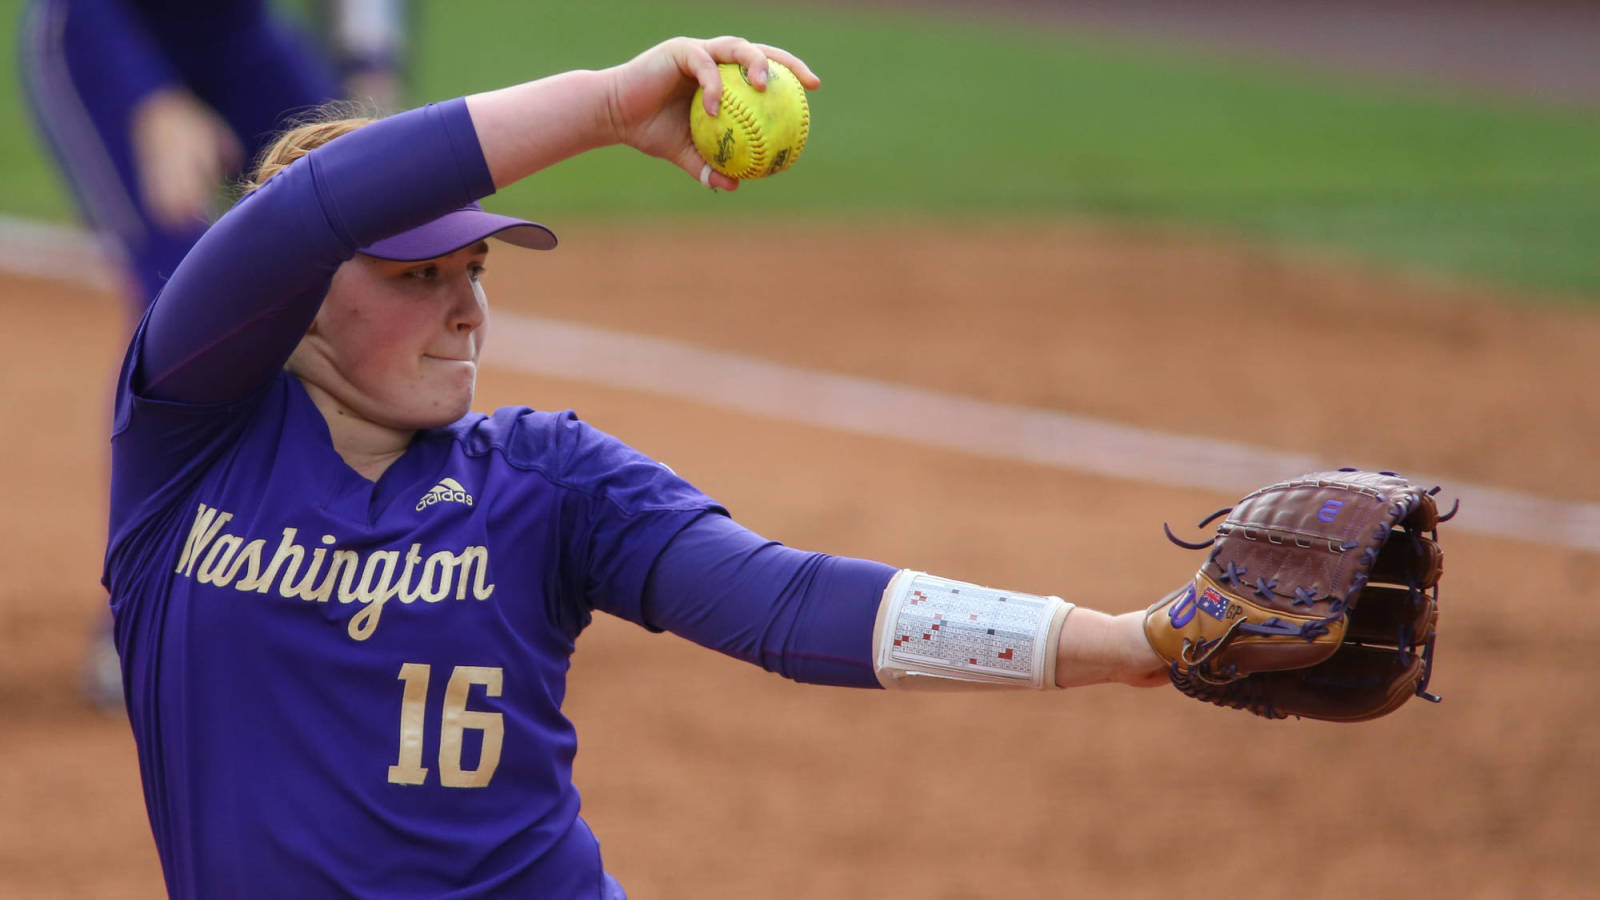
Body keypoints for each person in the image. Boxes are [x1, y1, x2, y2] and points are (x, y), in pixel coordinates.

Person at [103, 35, 1167, 897]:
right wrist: (606, 106)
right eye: (419, 274)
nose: (468, 307)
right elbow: (309, 210)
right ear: (295, 297)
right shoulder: (187, 447)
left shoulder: (546, 480)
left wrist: (1119, 644)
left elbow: (785, 603)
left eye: (473, 268)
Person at [20, 0, 408, 707]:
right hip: (104, 31)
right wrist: (147, 98)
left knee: (382, 235)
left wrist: (369, 68)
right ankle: (141, 614)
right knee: (176, 293)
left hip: (240, 38)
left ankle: (356, 576)